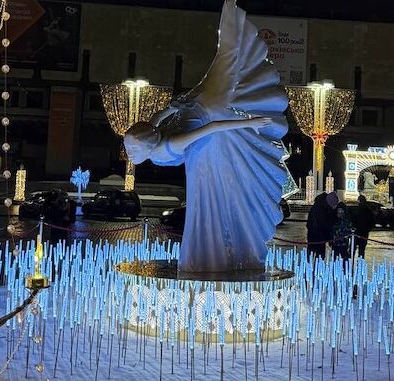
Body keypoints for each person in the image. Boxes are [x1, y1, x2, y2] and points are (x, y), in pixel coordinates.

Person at [123, 1, 288, 272]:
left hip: (207, 120)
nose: (129, 155)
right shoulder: (152, 133)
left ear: (145, 145)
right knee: (227, 61)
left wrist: (249, 122)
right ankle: (232, 19)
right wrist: (174, 107)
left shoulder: (170, 143)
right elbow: (159, 117)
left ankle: (232, 16)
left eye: (132, 150)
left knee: (228, 61)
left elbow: (212, 128)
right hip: (197, 113)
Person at [306, 191, 339, 260]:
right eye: (334, 205)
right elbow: (326, 224)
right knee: (318, 256)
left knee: (313, 254)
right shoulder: (323, 209)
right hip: (318, 236)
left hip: (314, 236)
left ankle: (311, 264)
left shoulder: (320, 206)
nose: (334, 207)